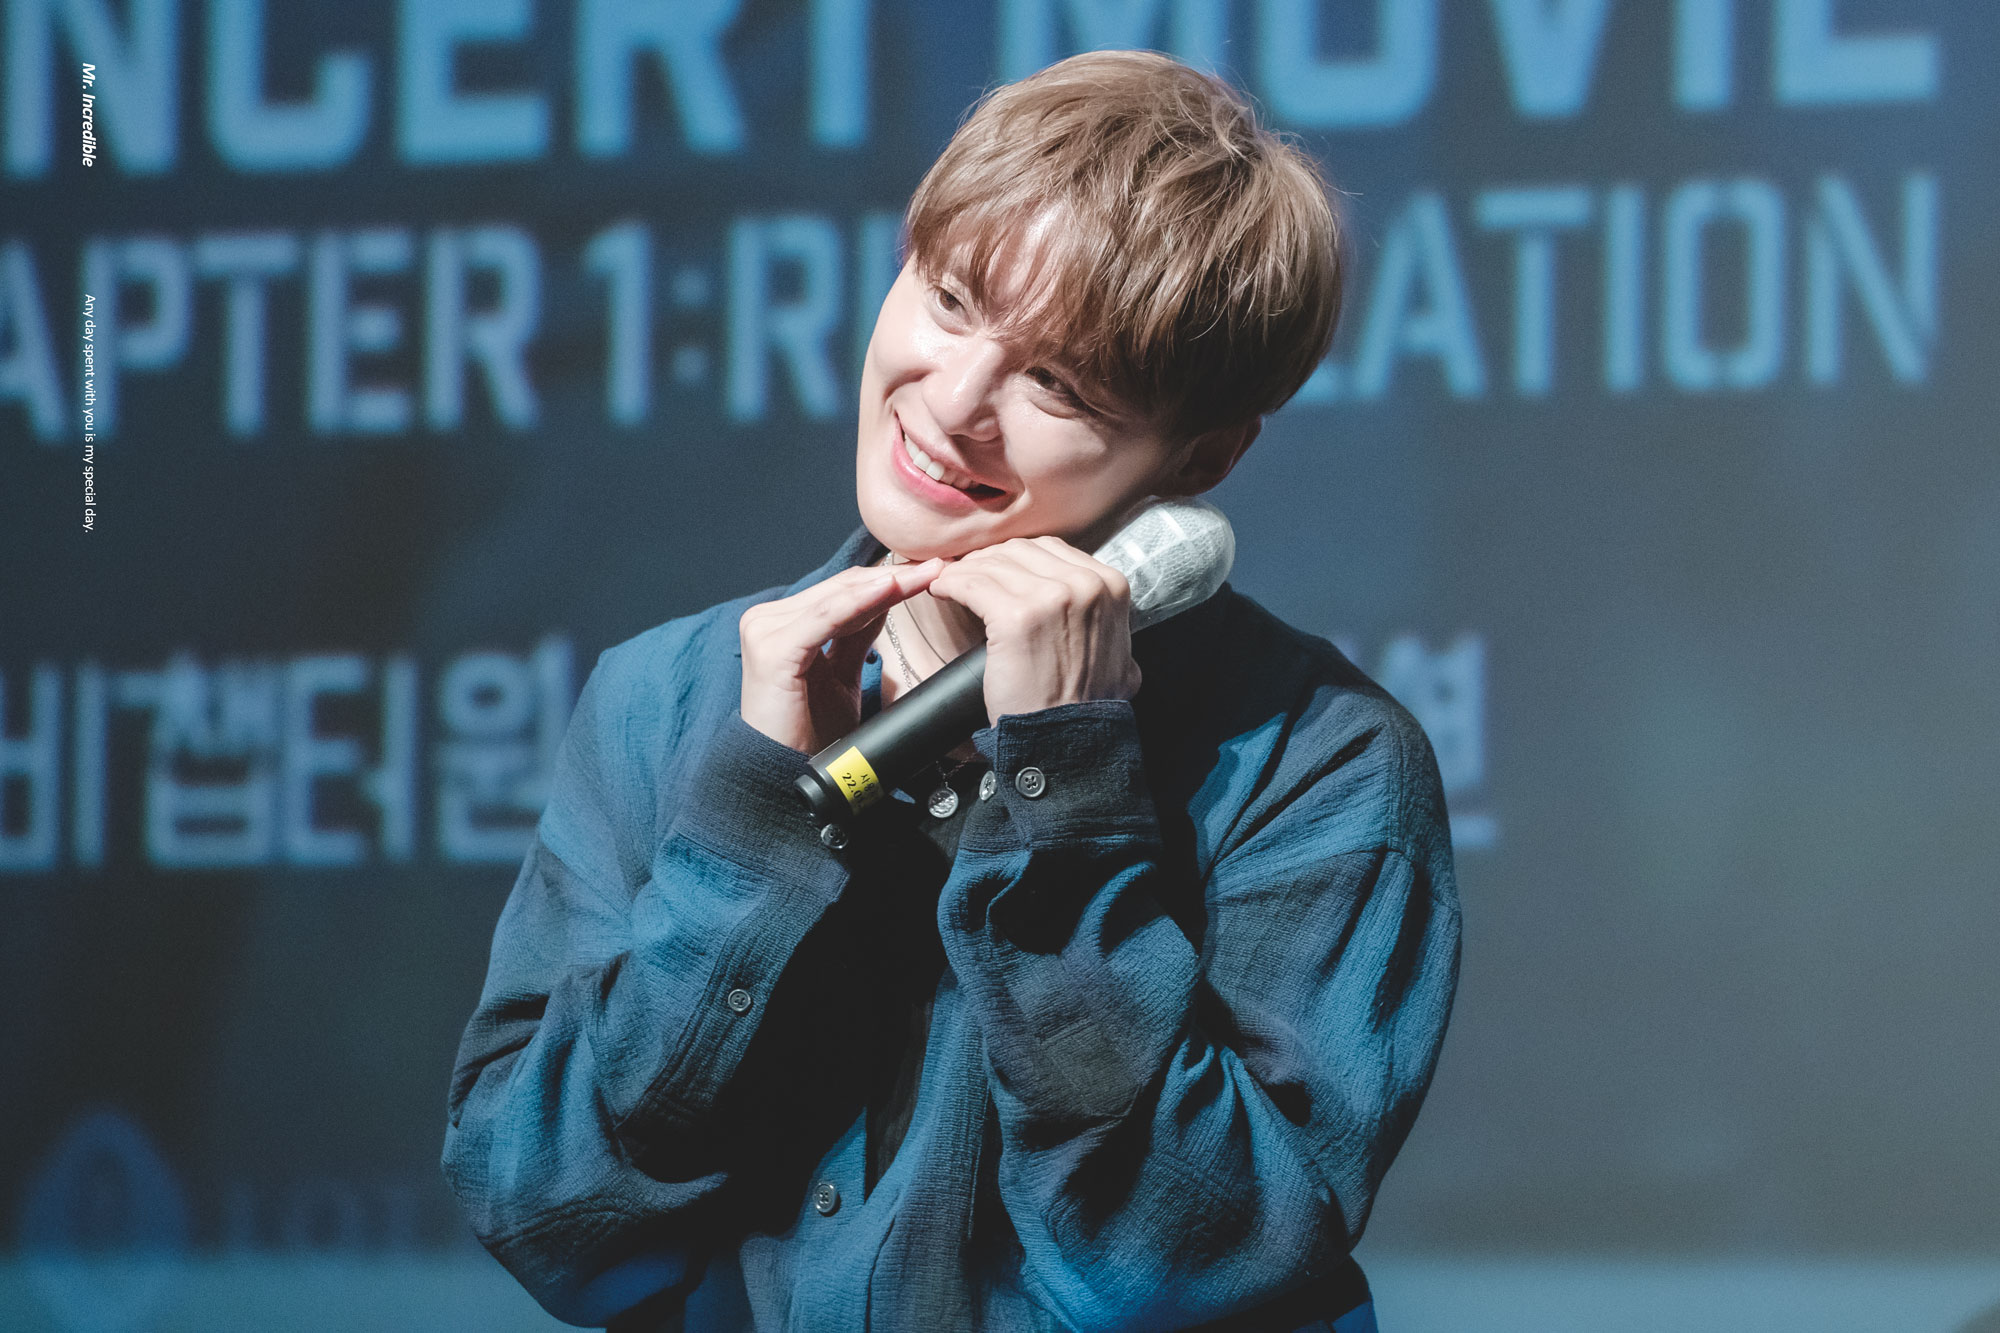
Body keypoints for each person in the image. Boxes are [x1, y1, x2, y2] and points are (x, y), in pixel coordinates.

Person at [443, 50, 1460, 1333]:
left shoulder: (1321, 767)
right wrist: (751, 830)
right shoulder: (668, 695)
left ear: (1199, 461)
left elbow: (1193, 1264)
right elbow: (546, 1219)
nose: (954, 401)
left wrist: (1068, 800)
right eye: (949, 298)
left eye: (1057, 384)